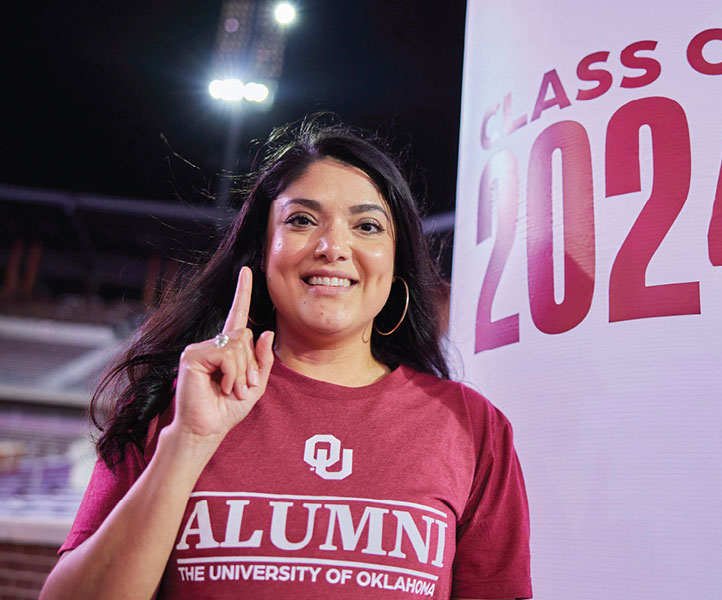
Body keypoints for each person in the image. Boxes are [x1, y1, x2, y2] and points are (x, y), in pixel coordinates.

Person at [40, 116, 532, 600]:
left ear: (396, 260)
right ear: (262, 250)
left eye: (367, 225)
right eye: (301, 220)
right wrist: (188, 441)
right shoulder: (178, 403)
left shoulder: (472, 428)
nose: (333, 247)